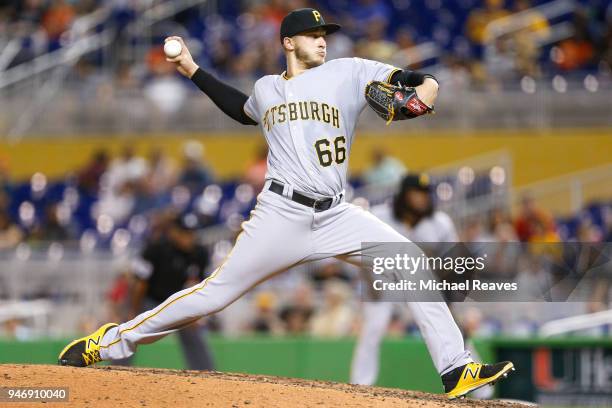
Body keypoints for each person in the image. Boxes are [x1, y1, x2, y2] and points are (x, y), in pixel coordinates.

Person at [58, 8, 513, 399]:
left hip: (336, 212)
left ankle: (456, 369)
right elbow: (241, 109)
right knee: (213, 295)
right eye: (314, 35)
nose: (322, 41)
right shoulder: (266, 89)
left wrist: (426, 90)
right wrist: (194, 71)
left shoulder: (348, 71)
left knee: (409, 260)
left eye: (325, 35)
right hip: (280, 215)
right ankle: (110, 342)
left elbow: (411, 78)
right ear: (288, 42)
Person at [350, 174, 493, 399]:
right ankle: (359, 385)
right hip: (385, 285)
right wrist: (371, 284)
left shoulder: (439, 222)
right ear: (404, 195)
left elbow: (456, 260)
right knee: (373, 328)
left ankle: (482, 391)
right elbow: (363, 253)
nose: (422, 199)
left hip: (422, 284)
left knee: (453, 328)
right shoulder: (381, 216)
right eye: (416, 193)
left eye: (425, 194)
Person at [114, 213, 214, 370]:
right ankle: (115, 370)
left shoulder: (199, 253)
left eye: (192, 233)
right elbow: (140, 283)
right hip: (149, 300)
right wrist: (132, 311)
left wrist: (196, 315)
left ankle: (206, 374)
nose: (189, 237)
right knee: (130, 329)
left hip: (176, 302)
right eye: (184, 233)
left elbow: (199, 285)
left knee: (194, 333)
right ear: (174, 232)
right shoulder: (156, 248)